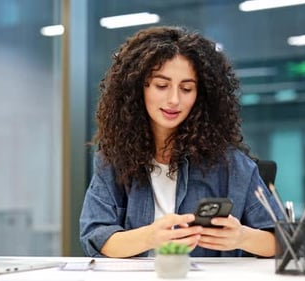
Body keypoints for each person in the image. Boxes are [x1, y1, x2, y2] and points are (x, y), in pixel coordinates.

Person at [79, 26, 283, 258]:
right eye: (162, 86)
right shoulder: (114, 159)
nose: (174, 99)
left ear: (201, 95)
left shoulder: (232, 164)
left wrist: (243, 237)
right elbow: (95, 236)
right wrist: (149, 236)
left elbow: (284, 243)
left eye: (186, 89)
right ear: (138, 89)